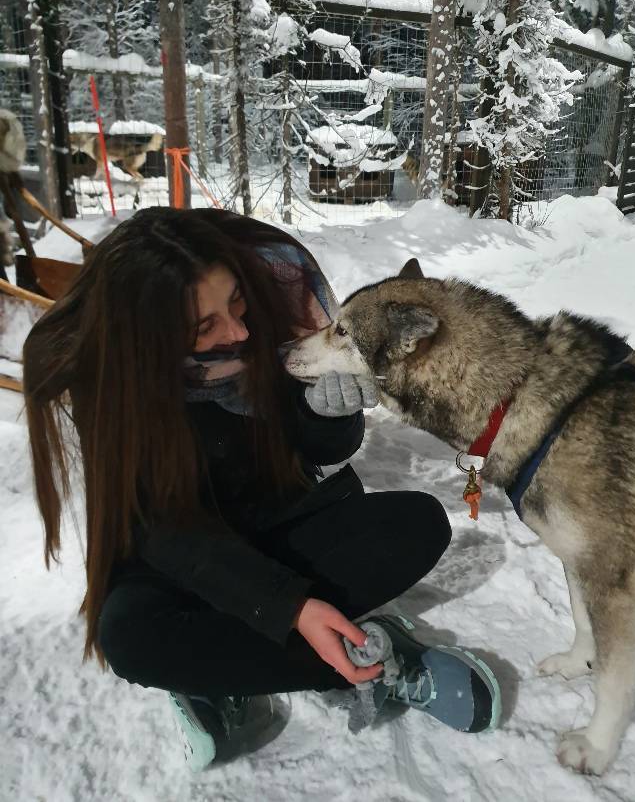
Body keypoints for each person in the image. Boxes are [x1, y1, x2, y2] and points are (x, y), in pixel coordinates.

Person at [23, 208, 500, 772]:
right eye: (205, 327)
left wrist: (327, 417)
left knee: (417, 524)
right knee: (129, 634)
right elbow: (164, 532)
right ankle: (373, 656)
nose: (239, 333)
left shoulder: (280, 300)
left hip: (280, 519)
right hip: (184, 554)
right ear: (148, 339)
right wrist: (290, 607)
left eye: (236, 301)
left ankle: (218, 666)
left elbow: (323, 450)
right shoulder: (110, 377)